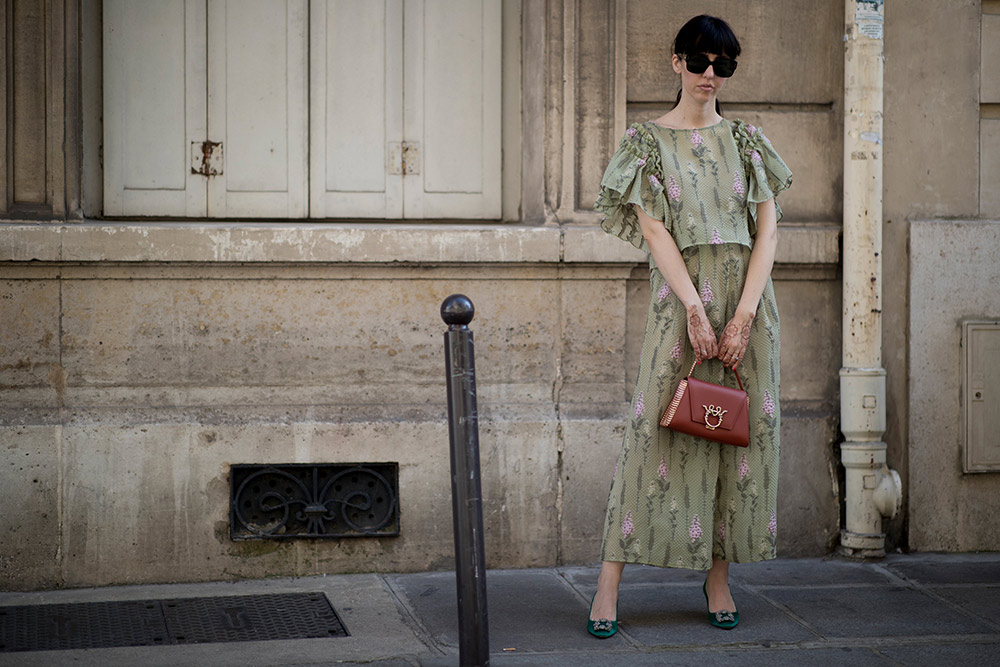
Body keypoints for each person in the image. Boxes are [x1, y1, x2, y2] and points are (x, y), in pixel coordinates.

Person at [587, 14, 792, 637]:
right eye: (700, 62)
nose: (710, 75)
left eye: (723, 65)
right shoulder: (647, 143)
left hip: (749, 307)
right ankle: (607, 585)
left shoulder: (750, 142)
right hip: (680, 303)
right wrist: (698, 311)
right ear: (676, 61)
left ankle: (719, 577)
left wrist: (744, 315)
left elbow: (768, 231)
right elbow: (654, 230)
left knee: (739, 435)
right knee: (653, 430)